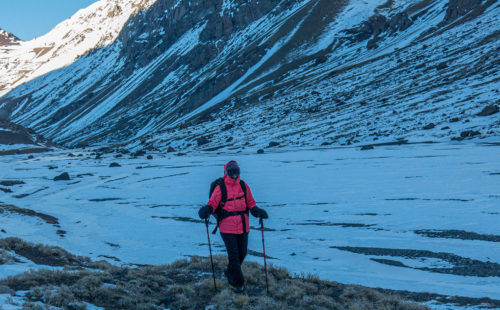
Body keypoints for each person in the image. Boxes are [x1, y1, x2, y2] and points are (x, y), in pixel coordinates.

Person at [198, 160, 268, 293]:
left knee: (243, 253)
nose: (234, 174)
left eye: (236, 171)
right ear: (226, 172)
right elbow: (213, 203)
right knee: (234, 255)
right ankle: (237, 283)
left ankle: (230, 271)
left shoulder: (243, 185)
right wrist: (207, 210)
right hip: (227, 227)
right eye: (231, 171)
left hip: (243, 225)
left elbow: (251, 203)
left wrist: (257, 211)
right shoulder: (220, 187)